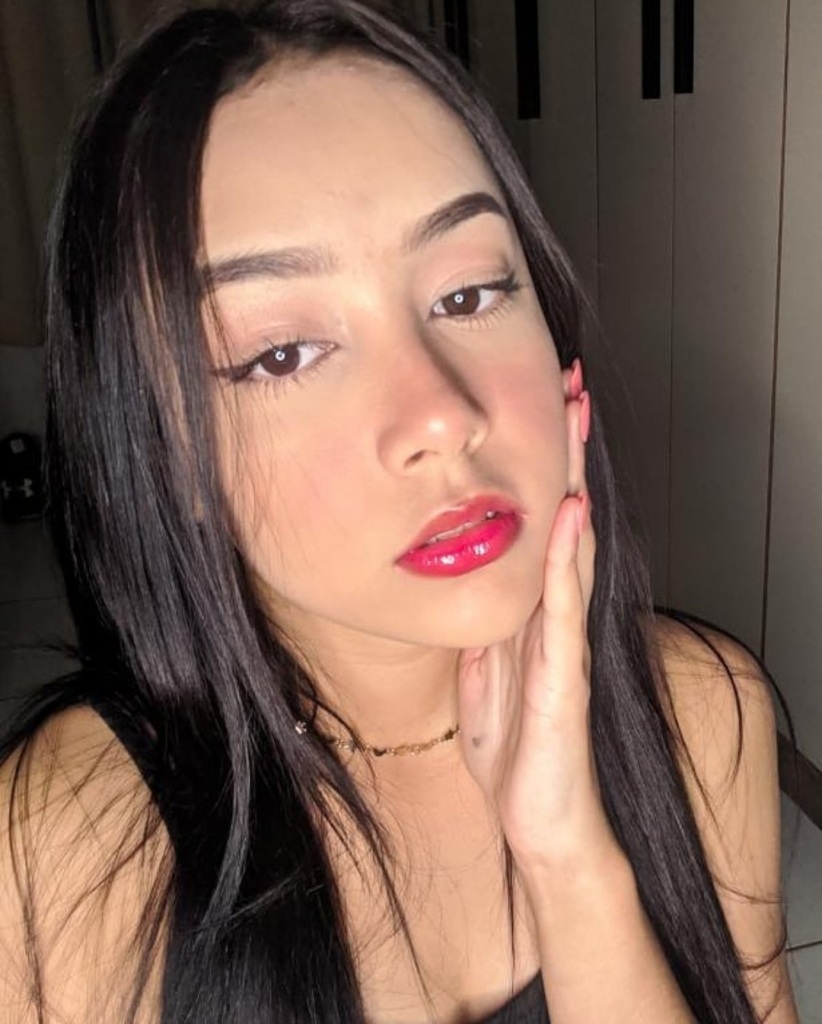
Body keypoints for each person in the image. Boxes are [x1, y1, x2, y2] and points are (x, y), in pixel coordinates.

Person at [0, 2, 798, 1021]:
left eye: (468, 295)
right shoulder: (68, 854)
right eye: (282, 353)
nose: (442, 415)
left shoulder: (706, 713)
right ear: (167, 454)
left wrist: (572, 862)